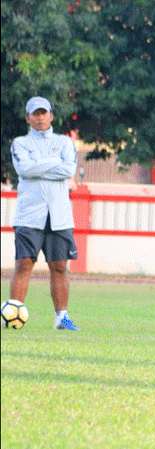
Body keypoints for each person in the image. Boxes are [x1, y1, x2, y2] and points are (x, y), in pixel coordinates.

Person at [9, 96, 79, 331]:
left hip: (59, 215)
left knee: (60, 267)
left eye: (43, 113)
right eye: (35, 114)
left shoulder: (65, 143)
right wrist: (53, 164)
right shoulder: (19, 143)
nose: (39, 118)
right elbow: (25, 170)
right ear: (28, 118)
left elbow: (68, 169)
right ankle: (13, 313)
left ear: (51, 116)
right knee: (23, 264)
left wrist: (40, 164)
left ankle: (62, 318)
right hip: (29, 215)